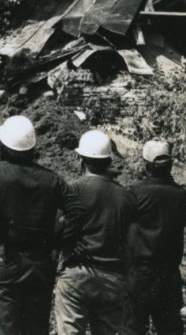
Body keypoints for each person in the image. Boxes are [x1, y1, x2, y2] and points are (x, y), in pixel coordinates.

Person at [0, 115, 67, 335]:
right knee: (36, 327)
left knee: (6, 326)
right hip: (41, 263)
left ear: (3, 145)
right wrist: (56, 243)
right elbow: (75, 212)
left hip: (7, 260)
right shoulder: (52, 178)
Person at [55, 129, 137, 335]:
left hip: (76, 275)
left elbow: (59, 231)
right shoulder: (126, 197)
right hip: (112, 279)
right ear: (109, 162)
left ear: (81, 160)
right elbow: (131, 242)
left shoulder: (71, 190)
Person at [128, 139, 186, 334]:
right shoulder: (180, 195)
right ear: (170, 165)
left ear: (146, 165)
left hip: (140, 275)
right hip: (169, 275)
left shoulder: (135, 193)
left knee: (134, 328)